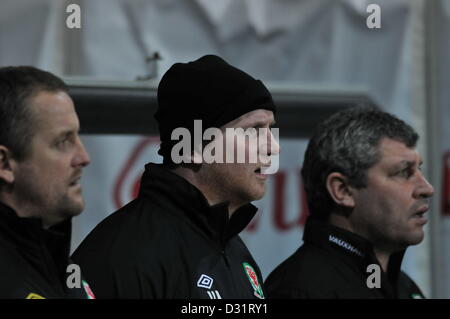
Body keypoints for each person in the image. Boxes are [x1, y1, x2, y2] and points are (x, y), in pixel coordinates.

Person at [72, 55, 280, 299]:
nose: (272, 146)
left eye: (270, 129)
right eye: (253, 130)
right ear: (192, 147)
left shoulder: (233, 250)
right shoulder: (125, 256)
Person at [265, 106, 434, 299]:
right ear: (343, 191)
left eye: (420, 169)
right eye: (403, 172)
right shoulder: (300, 290)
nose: (427, 188)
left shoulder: (404, 287)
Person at [0, 66, 93, 298]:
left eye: (77, 136)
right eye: (63, 141)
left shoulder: (59, 262)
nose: (83, 158)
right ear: (5, 164)